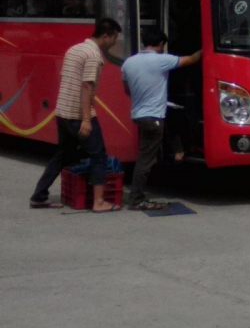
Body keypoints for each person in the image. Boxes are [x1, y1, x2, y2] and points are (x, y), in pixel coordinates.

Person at [29, 18, 122, 211]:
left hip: (62, 112)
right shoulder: (93, 55)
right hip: (78, 115)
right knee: (99, 155)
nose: (114, 43)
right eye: (114, 38)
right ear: (105, 36)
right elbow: (86, 86)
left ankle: (39, 196)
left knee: (62, 154)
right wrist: (86, 119)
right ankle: (98, 202)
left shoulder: (74, 49)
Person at [120, 28, 202, 211]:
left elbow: (127, 90)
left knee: (168, 120)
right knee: (145, 160)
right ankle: (136, 199)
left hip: (139, 115)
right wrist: (208, 46)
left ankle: (177, 151)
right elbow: (192, 59)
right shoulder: (161, 60)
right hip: (153, 117)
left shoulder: (128, 63)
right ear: (161, 44)